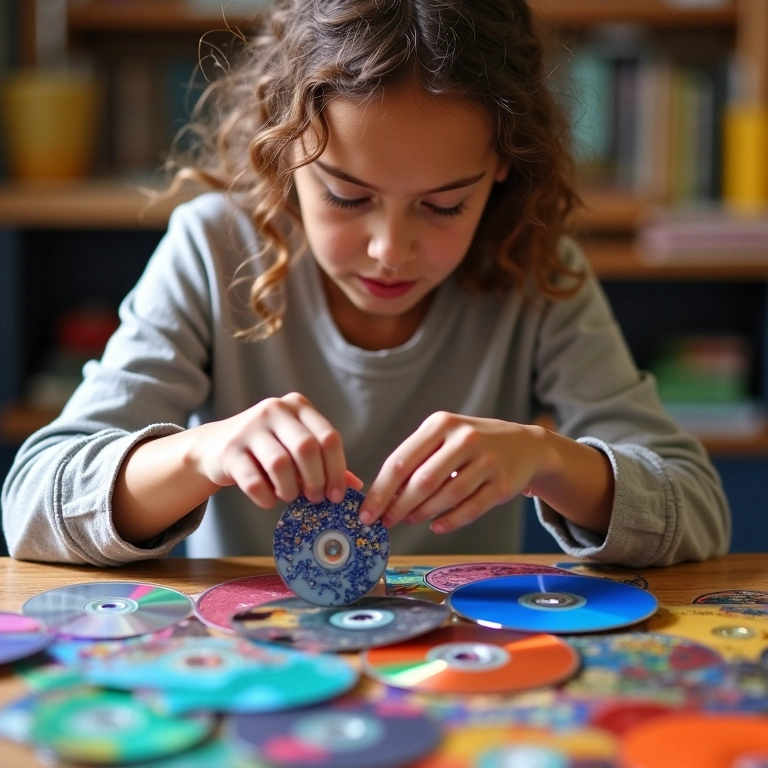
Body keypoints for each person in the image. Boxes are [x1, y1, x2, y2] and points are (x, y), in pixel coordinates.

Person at [2, 0, 730, 567]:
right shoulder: (214, 245)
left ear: (504, 166)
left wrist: (549, 459)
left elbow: (697, 508)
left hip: (457, 676)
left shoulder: (538, 271)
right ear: (287, 149)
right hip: (258, 668)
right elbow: (33, 504)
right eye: (347, 197)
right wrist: (202, 454)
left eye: (445, 205)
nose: (390, 250)